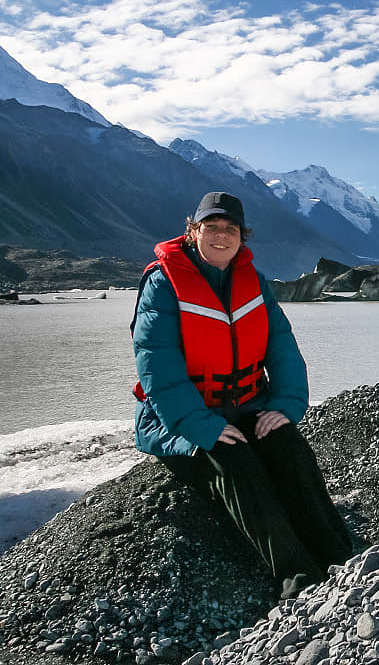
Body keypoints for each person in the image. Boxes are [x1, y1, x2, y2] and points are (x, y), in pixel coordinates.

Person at [130, 191, 352, 600]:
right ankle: (296, 579)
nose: (220, 236)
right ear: (193, 230)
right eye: (210, 227)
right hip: (179, 420)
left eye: (229, 229)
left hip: (248, 405)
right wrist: (200, 427)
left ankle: (344, 559)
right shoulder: (163, 283)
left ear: (241, 236)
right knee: (237, 464)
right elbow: (156, 365)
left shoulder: (253, 282)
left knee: (289, 449)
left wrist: (284, 406)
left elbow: (282, 347)